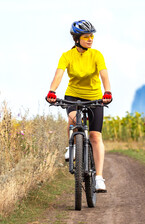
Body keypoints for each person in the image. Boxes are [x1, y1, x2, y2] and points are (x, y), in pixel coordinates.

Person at [46, 20, 112, 193]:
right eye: (86, 36)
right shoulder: (67, 56)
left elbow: (104, 74)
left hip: (95, 97)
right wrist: (52, 91)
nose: (90, 39)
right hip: (73, 95)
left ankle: (98, 177)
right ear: (76, 39)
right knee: (73, 119)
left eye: (92, 36)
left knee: (95, 136)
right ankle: (72, 147)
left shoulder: (96, 55)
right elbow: (59, 74)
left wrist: (108, 92)